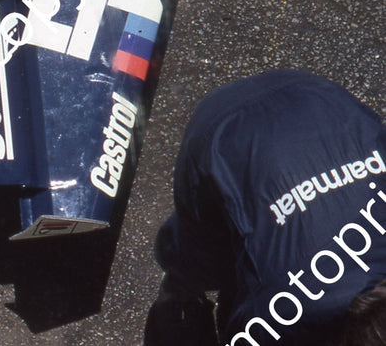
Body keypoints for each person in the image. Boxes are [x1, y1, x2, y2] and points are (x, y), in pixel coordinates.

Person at [148, 70, 386, 345]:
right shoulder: (281, 315)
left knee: (260, 250)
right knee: (199, 260)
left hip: (315, 98)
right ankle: (178, 297)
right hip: (222, 134)